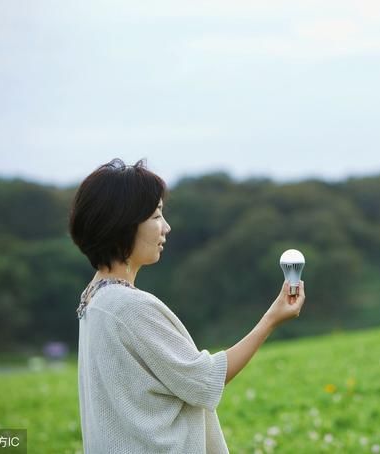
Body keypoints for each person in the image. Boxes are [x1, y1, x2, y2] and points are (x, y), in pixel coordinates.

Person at [69, 158, 306, 453]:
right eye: (156, 216)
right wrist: (270, 320)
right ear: (123, 225)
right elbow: (205, 380)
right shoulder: (127, 307)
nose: (166, 227)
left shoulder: (94, 297)